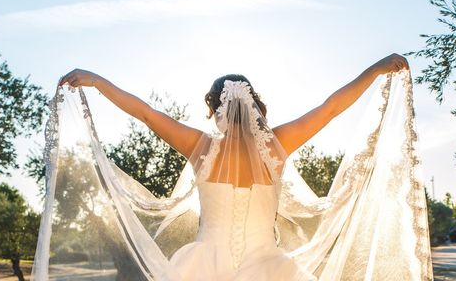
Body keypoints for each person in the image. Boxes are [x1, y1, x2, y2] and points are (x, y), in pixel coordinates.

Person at [31, 53, 432, 280]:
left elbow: (146, 113)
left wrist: (97, 80)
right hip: (272, 270)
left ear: (215, 106)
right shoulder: (277, 145)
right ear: (253, 105)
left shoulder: (200, 147)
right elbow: (330, 107)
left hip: (202, 268)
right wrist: (377, 69)